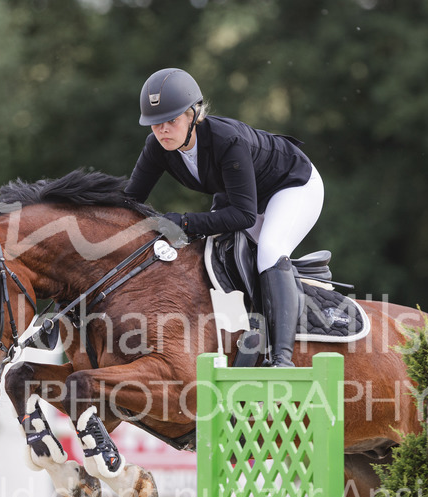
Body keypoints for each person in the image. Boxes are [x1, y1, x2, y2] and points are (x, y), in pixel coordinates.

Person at [124, 67, 325, 367]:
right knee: (211, 255)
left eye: (170, 121)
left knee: (270, 250)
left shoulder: (227, 140)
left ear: (192, 115)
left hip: (292, 185)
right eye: (155, 124)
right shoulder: (157, 147)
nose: (163, 130)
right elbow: (129, 201)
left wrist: (186, 222)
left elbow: (244, 216)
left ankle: (282, 358)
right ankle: (241, 336)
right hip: (243, 196)